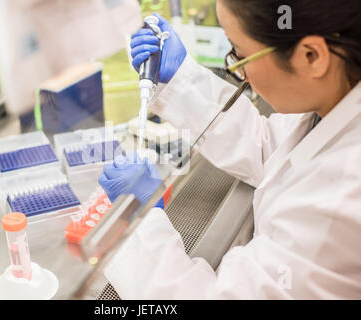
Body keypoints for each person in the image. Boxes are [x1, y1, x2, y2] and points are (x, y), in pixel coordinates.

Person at [98, 0, 361, 299]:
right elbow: (276, 150)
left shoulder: (340, 201)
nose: (239, 71)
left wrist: (140, 224)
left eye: (240, 53)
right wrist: (180, 80)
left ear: (311, 56)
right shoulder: (341, 101)